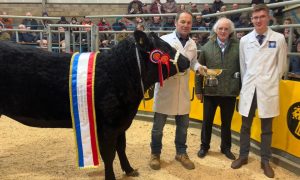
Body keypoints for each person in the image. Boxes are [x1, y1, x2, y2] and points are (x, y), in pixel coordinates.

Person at [231, 4, 287, 178]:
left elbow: (282, 66)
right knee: (245, 126)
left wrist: (269, 81)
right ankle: (243, 156)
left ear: (268, 17)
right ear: (251, 19)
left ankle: (265, 161)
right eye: (255, 17)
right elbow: (243, 65)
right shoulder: (245, 40)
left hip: (267, 89)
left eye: (262, 16)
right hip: (250, 88)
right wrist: (250, 82)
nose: (258, 20)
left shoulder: (278, 38)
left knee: (267, 128)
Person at [149, 10, 207, 171]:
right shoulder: (164, 41)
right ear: (175, 23)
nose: (185, 25)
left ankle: (181, 153)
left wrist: (199, 68)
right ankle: (155, 154)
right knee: (158, 128)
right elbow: (155, 64)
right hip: (165, 90)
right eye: (182, 22)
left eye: (188, 22)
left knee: (183, 127)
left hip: (182, 92)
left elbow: (193, 62)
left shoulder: (192, 44)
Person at [195, 17, 240, 161]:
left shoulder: (239, 46)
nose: (223, 31)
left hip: (229, 92)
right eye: (220, 28)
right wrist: (198, 90)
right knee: (207, 121)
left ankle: (226, 148)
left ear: (230, 31)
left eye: (226, 29)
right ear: (216, 30)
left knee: (226, 123)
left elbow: (243, 68)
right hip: (210, 92)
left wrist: (241, 87)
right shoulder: (206, 47)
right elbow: (199, 70)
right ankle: (204, 146)